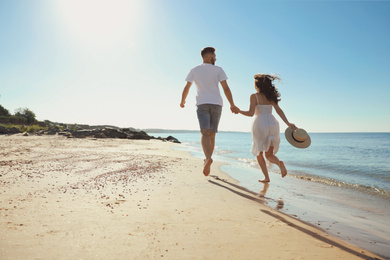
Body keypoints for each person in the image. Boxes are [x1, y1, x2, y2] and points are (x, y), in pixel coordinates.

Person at [180, 47, 239, 176]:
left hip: (202, 104)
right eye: (214, 55)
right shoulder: (219, 70)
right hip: (217, 104)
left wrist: (182, 101)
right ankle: (208, 158)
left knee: (204, 133)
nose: (215, 58)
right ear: (208, 56)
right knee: (212, 134)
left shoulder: (194, 70)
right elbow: (226, 89)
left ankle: (207, 158)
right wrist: (232, 104)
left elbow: (187, 88)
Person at [236, 74, 297, 182]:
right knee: (269, 154)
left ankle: (266, 177)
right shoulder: (270, 97)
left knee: (259, 153)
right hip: (272, 123)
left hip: (259, 124)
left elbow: (250, 113)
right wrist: (288, 123)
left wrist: (239, 111)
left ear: (256, 85)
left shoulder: (254, 96)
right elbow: (279, 110)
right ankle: (279, 163)